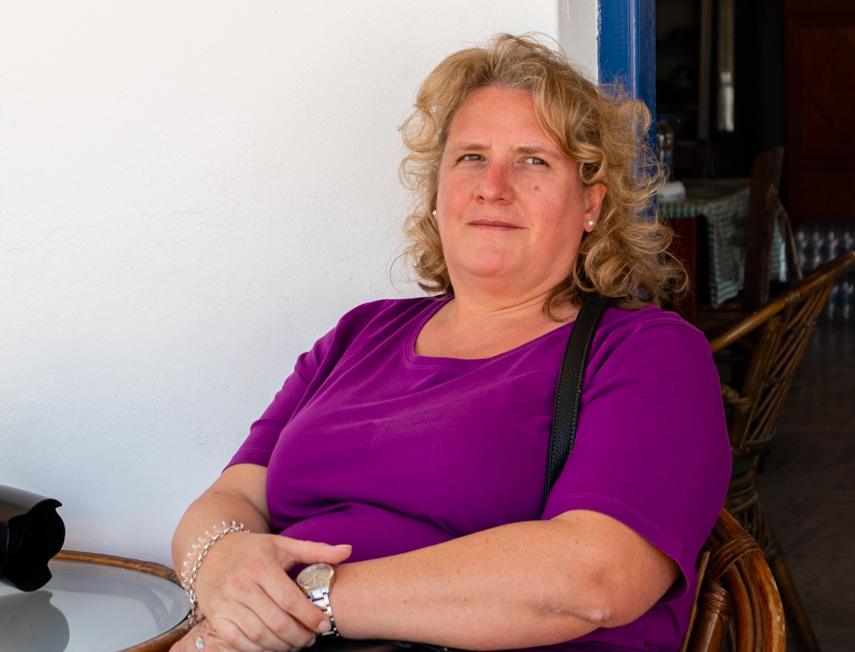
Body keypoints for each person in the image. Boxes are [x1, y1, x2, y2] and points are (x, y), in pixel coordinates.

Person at [170, 35, 731, 652]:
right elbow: (231, 496)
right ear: (438, 195)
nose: (492, 185)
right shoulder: (361, 335)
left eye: (533, 160)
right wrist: (218, 563)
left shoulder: (646, 353)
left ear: (591, 204)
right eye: (470, 157)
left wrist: (304, 605)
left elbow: (595, 577)